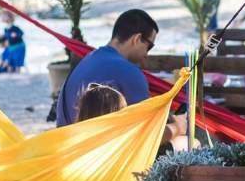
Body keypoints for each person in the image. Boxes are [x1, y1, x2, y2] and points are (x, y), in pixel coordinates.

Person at [55, 9, 187, 144]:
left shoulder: (86, 61)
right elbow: (146, 137)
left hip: (69, 153)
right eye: (149, 46)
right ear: (136, 39)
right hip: (105, 158)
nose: (147, 54)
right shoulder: (129, 72)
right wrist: (178, 127)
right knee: (184, 142)